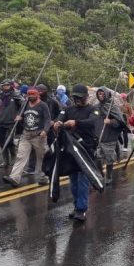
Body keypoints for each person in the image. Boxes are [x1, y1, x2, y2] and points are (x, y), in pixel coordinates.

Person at [53, 83, 98, 222]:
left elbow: (92, 122)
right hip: (70, 149)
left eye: (80, 98)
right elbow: (60, 117)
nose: (77, 100)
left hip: (85, 148)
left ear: (86, 97)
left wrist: (77, 123)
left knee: (83, 180)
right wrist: (57, 123)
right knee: (73, 181)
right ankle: (76, 206)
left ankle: (82, 209)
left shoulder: (94, 109)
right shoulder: (67, 109)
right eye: (75, 97)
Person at [2, 87, 51, 187]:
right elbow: (20, 115)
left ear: (37, 95)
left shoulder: (43, 105)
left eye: (33, 94)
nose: (31, 96)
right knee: (20, 156)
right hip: (26, 135)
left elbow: (47, 119)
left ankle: (44, 177)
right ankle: (14, 178)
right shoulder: (25, 104)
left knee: (42, 157)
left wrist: (45, 131)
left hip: (39, 136)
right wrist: (19, 118)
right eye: (29, 94)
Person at [94, 86, 126, 186]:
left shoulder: (113, 107)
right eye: (99, 94)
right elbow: (93, 118)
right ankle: (101, 173)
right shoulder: (96, 107)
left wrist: (110, 121)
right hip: (98, 137)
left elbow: (120, 122)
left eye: (103, 94)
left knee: (109, 158)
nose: (101, 95)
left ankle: (109, 175)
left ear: (107, 95)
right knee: (97, 157)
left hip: (109, 137)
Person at [0, 81, 23, 170]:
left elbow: (23, 105)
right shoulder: (0, 96)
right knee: (1, 142)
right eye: (4, 85)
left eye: (7, 85)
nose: (6, 87)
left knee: (9, 141)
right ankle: (6, 161)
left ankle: (14, 158)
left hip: (11, 122)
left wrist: (19, 115)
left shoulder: (16, 95)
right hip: (1, 122)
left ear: (11, 86)